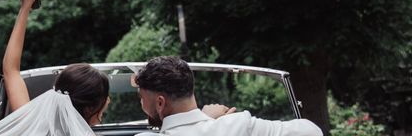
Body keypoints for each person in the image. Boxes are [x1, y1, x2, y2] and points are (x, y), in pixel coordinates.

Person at [0, 0, 110, 136]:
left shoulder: (30, 126)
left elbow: (10, 70)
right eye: (106, 96)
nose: (109, 101)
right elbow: (10, 70)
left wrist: (25, 5)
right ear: (90, 108)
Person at [133, 56, 323, 136]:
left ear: (160, 102)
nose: (141, 104)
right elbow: (311, 131)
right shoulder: (237, 125)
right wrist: (206, 119)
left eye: (142, 99)